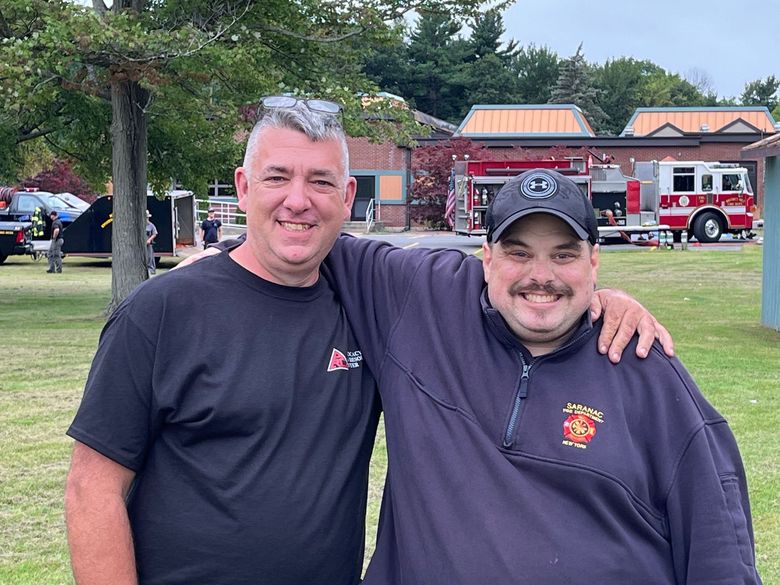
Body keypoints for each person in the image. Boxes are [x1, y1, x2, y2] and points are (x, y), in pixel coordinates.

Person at [65, 100, 670, 585]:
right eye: (278, 177)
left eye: (320, 181)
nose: (297, 199)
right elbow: (92, 488)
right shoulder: (163, 310)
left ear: (348, 197)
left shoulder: (370, 308)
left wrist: (600, 295)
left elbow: (507, 281)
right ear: (244, 187)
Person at [315, 169, 761, 584]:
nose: (541, 276)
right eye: (519, 252)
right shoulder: (421, 303)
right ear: (486, 258)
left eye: (564, 254)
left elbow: (720, 548)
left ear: (594, 262)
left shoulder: (645, 368)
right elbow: (299, 237)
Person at [145, 210, 158, 276]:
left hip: (148, 244)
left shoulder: (151, 225)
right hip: (141, 245)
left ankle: (151, 270)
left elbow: (155, 234)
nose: (147, 219)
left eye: (147, 217)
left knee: (150, 257)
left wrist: (149, 240)